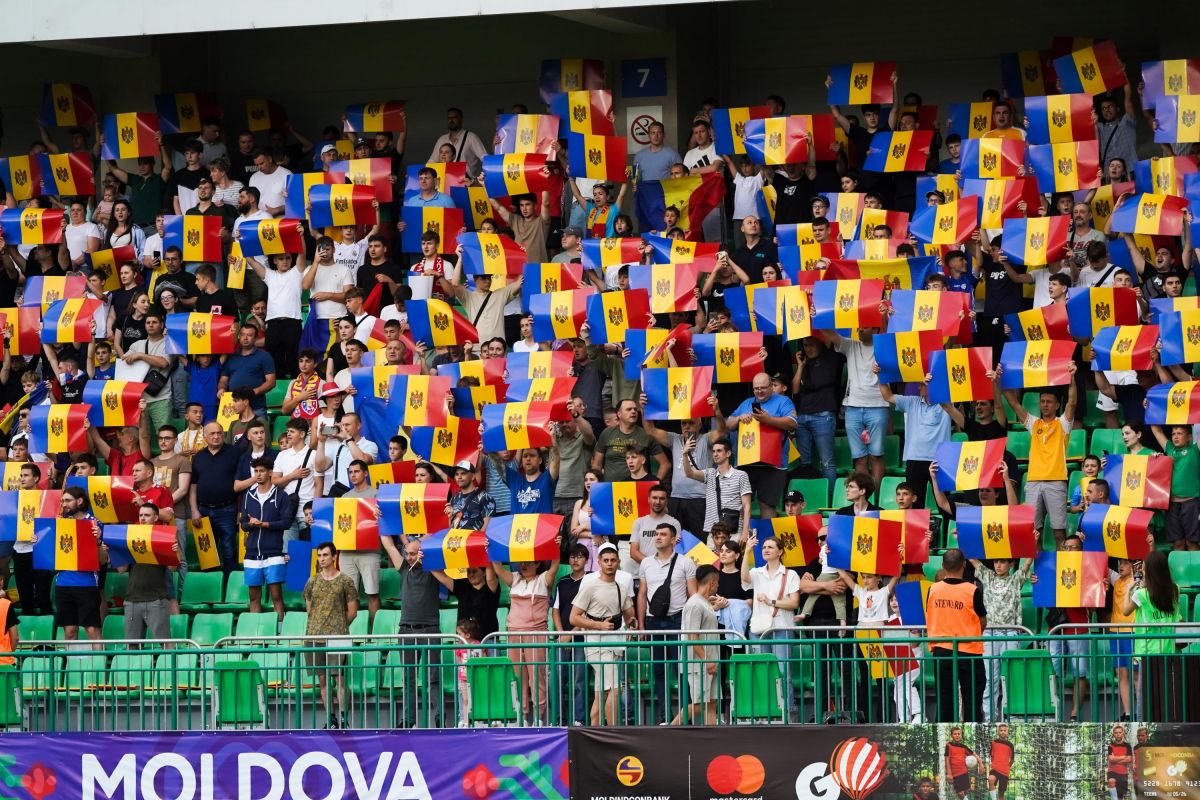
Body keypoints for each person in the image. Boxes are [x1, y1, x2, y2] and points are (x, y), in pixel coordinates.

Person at [1002, 368, 1078, 546]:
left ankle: (1061, 571)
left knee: (1059, 534)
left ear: (1057, 405)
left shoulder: (1063, 424)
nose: (1045, 405)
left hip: (1056, 481)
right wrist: (1001, 382)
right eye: (1042, 401)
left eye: (1049, 402)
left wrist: (1072, 377)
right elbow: (1014, 404)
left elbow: (1072, 402)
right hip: (1033, 482)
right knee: (1034, 533)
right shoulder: (1033, 424)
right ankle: (1037, 573)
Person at [570, 542, 637, 726]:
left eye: (613, 560)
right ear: (598, 561)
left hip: (615, 643)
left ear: (618, 562)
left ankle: (594, 731)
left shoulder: (621, 587)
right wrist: (598, 625)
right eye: (605, 560)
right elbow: (574, 618)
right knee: (615, 689)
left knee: (601, 694)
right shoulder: (590, 586)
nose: (609, 563)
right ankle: (613, 732)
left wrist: (632, 624)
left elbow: (629, 614)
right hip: (595, 644)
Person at [637, 522, 698, 722]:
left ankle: (684, 718)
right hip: (653, 621)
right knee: (659, 671)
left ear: (673, 539)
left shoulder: (685, 562)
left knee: (681, 670)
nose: (658, 537)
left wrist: (690, 625)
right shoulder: (645, 563)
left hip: (678, 620)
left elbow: (693, 595)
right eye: (656, 534)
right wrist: (641, 624)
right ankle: (665, 716)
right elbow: (642, 594)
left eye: (663, 534)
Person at [492, 549, 561, 725]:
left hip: (535, 634)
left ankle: (539, 718)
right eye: (521, 562)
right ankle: (521, 718)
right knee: (516, 678)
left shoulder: (543, 579)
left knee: (537, 677)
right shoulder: (515, 578)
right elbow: (498, 569)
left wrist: (554, 546)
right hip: (514, 634)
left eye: (528, 562)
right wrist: (491, 549)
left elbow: (554, 566)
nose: (523, 565)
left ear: (537, 563)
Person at [741, 532, 800, 719]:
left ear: (780, 552)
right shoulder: (757, 572)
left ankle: (787, 713)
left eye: (770, 547)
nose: (766, 550)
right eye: (764, 547)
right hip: (759, 629)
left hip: (782, 627)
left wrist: (771, 601)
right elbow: (743, 579)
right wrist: (747, 552)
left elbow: (794, 603)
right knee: (761, 672)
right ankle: (765, 713)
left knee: (783, 673)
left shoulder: (790, 574)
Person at [926, 548, 987, 722]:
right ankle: (973, 741)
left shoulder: (933, 589)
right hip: (969, 651)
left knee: (944, 700)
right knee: (972, 700)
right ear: (965, 565)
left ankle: (944, 743)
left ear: (943, 565)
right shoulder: (972, 590)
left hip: (941, 650)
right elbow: (983, 620)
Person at [726, 373, 799, 518]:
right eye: (756, 388)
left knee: (767, 504)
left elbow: (793, 423)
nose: (759, 391)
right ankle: (739, 539)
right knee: (740, 504)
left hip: (774, 465)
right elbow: (729, 424)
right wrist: (739, 418)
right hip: (747, 463)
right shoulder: (747, 403)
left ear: (772, 386)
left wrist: (768, 419)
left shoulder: (783, 401)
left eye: (763, 388)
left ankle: (768, 540)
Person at [303, 541, 358, 729]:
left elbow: (352, 611)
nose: (321, 559)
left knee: (339, 677)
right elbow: (310, 609)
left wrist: (339, 626)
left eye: (325, 555)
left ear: (334, 557)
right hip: (314, 637)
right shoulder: (312, 581)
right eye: (319, 555)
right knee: (322, 679)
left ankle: (343, 717)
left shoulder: (345, 581)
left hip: (338, 636)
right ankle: (330, 718)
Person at [114, 502, 178, 642]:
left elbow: (172, 568)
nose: (142, 518)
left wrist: (174, 552)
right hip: (132, 599)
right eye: (141, 515)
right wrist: (114, 551)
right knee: (131, 645)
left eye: (147, 515)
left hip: (156, 599)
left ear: (156, 518)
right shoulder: (130, 537)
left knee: (165, 644)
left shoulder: (163, 537)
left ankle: (167, 665)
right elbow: (121, 569)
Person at [49, 486, 104, 646]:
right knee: (69, 631)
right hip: (63, 583)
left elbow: (103, 559)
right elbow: (49, 552)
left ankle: (99, 669)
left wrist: (98, 541)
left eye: (67, 500)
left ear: (79, 501)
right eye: (62, 501)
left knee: (92, 630)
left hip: (86, 583)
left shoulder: (94, 523)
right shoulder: (60, 524)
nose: (63, 504)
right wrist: (38, 540)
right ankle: (73, 670)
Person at [240, 456, 293, 622]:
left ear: (270, 473)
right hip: (252, 553)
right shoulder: (248, 495)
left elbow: (286, 522)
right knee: (253, 596)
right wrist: (250, 524)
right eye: (256, 471)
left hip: (274, 552)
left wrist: (265, 524)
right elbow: (242, 524)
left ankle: (280, 631)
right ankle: (255, 636)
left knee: (276, 594)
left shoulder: (281, 495)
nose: (258, 474)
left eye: (261, 471)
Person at [398, 538, 443, 726]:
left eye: (413, 554)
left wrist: (429, 561)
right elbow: (388, 543)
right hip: (406, 630)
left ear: (422, 553)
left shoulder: (433, 568)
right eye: (407, 554)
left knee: (433, 677)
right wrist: (381, 519)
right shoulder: (403, 568)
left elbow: (442, 541)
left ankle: (440, 719)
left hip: (430, 629)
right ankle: (409, 721)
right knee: (409, 679)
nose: (409, 558)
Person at [668, 563, 720, 726]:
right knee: (699, 704)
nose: (718, 586)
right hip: (699, 664)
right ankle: (669, 731)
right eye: (717, 583)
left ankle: (713, 740)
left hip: (709, 661)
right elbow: (692, 636)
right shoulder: (694, 604)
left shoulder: (703, 603)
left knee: (712, 703)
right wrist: (706, 659)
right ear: (712, 582)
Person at [189, 422, 242, 575]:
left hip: (227, 509)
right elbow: (193, 486)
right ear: (205, 437)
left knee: (229, 552)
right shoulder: (199, 457)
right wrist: (194, 510)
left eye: (219, 433)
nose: (216, 436)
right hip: (203, 510)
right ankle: (210, 591)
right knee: (207, 555)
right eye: (212, 434)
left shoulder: (234, 453)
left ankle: (227, 589)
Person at [682, 435, 751, 541]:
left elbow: (747, 506)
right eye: (713, 451)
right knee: (714, 558)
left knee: (734, 558)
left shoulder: (741, 475)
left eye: (719, 451)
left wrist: (745, 532)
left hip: (734, 531)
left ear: (728, 453)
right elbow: (689, 473)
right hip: (713, 531)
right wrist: (685, 453)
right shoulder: (710, 473)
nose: (715, 454)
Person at [551, 543, 589, 725]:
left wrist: (571, 634)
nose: (575, 560)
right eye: (573, 556)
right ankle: (559, 719)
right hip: (562, 638)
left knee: (579, 681)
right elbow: (555, 610)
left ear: (587, 560)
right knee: (556, 680)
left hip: (581, 638)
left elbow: (589, 612)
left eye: (580, 556)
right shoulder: (562, 582)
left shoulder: (591, 581)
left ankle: (579, 719)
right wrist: (561, 634)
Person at [944, 726, 982, 800]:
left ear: (961, 735)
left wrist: (981, 764)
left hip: (964, 772)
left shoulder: (963, 747)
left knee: (965, 792)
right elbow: (947, 759)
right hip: (955, 774)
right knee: (960, 793)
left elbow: (973, 754)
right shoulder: (949, 745)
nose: (957, 735)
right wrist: (949, 773)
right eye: (955, 734)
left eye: (959, 734)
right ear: (951, 735)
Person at [1105, 724, 1134, 800]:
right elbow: (1111, 759)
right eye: (1116, 733)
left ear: (1123, 733)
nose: (1118, 734)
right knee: (1111, 781)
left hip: (1123, 773)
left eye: (1120, 732)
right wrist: (1123, 757)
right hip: (1112, 771)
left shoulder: (1127, 746)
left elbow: (1129, 759)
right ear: (1113, 734)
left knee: (1120, 796)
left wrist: (1116, 759)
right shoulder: (1110, 746)